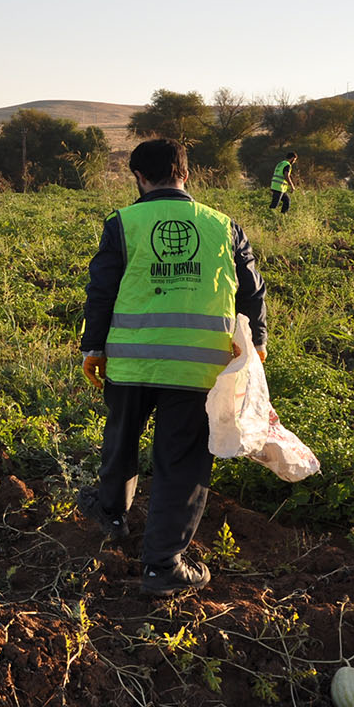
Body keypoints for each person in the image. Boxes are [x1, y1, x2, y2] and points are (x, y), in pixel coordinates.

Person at [77, 138, 267, 596]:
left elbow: (101, 290)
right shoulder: (225, 226)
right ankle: (162, 566)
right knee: (180, 462)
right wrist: (256, 344)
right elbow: (252, 291)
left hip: (129, 360)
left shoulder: (123, 222)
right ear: (186, 173)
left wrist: (92, 348)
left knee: (121, 440)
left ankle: (111, 514)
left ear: (139, 178)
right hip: (199, 369)